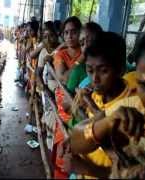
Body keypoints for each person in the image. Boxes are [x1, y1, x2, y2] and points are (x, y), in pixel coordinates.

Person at [69, 16, 145, 179]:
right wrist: (106, 123)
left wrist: (90, 169)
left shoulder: (133, 97)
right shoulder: (135, 108)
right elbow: (76, 139)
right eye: (143, 85)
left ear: (120, 70)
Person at [52, 16, 82, 179]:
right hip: (65, 106)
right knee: (63, 147)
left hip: (83, 105)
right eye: (66, 33)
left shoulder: (87, 53)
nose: (70, 36)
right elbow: (63, 78)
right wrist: (80, 61)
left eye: (74, 32)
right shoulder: (61, 55)